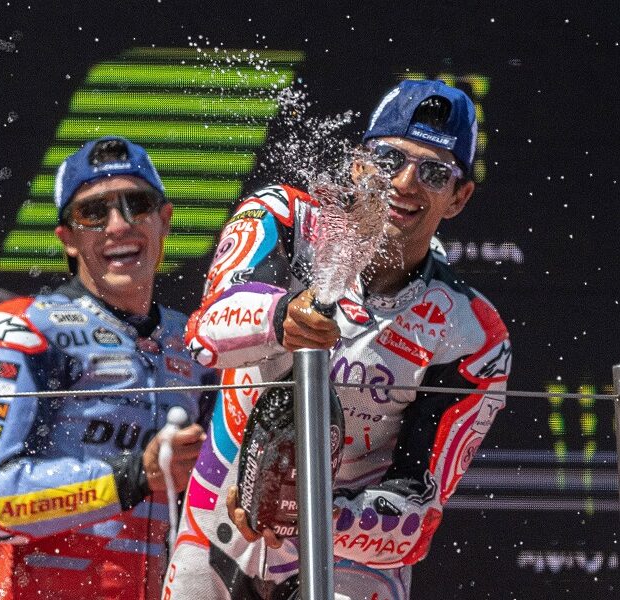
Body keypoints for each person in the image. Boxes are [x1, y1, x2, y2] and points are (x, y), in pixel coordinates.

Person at [165, 80, 512, 600]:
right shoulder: (283, 218)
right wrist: (280, 316)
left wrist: (307, 512)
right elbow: (204, 335)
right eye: (389, 159)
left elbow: (419, 517)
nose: (405, 183)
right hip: (216, 529)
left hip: (348, 562)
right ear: (357, 165)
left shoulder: (472, 333)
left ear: (458, 198)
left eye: (434, 172)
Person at [0, 136, 214, 599]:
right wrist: (133, 476)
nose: (119, 225)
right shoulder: (24, 328)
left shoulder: (200, 339)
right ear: (68, 238)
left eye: (137, 204)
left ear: (165, 220)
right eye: (93, 212)